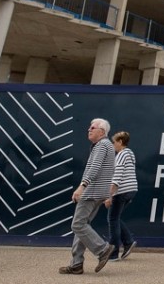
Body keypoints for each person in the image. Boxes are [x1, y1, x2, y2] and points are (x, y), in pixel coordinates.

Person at [60, 118, 116, 275]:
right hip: (99, 192)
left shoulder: (102, 145)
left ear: (102, 132)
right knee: (83, 226)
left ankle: (103, 249)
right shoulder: (107, 146)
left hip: (91, 192)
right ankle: (76, 264)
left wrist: (81, 187)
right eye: (89, 127)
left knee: (77, 225)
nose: (89, 130)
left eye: (93, 127)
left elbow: (95, 168)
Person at [104, 130, 138, 261]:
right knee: (116, 218)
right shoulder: (130, 154)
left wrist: (109, 196)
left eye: (114, 142)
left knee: (112, 219)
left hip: (122, 191)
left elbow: (117, 177)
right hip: (131, 190)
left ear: (120, 142)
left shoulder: (122, 155)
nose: (113, 145)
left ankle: (113, 253)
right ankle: (128, 241)